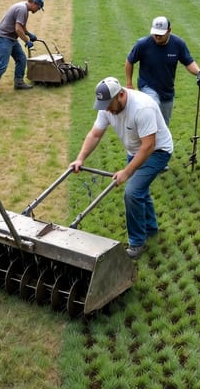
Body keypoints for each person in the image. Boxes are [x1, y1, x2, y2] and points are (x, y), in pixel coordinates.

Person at [70, 77, 173, 260]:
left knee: (132, 192)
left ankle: (137, 242)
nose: (107, 109)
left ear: (122, 95)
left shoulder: (142, 107)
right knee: (140, 190)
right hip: (135, 149)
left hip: (157, 151)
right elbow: (95, 134)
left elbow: (148, 145)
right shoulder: (107, 107)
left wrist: (127, 172)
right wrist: (80, 158)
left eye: (109, 104)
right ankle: (150, 228)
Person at [124, 16, 200, 126]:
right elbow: (130, 61)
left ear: (169, 31)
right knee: (152, 108)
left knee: (163, 126)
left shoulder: (178, 44)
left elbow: (188, 61)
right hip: (147, 87)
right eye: (155, 33)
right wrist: (129, 83)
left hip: (167, 91)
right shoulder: (143, 44)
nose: (157, 37)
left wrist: (199, 72)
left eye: (160, 34)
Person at [0, 0, 45, 99]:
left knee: (21, 59)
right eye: (38, 8)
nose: (38, 10)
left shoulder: (24, 8)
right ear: (34, 3)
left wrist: (29, 34)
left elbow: (21, 26)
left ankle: (19, 82)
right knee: (2, 65)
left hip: (11, 38)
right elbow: (18, 29)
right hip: (3, 38)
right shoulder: (22, 9)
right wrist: (27, 41)